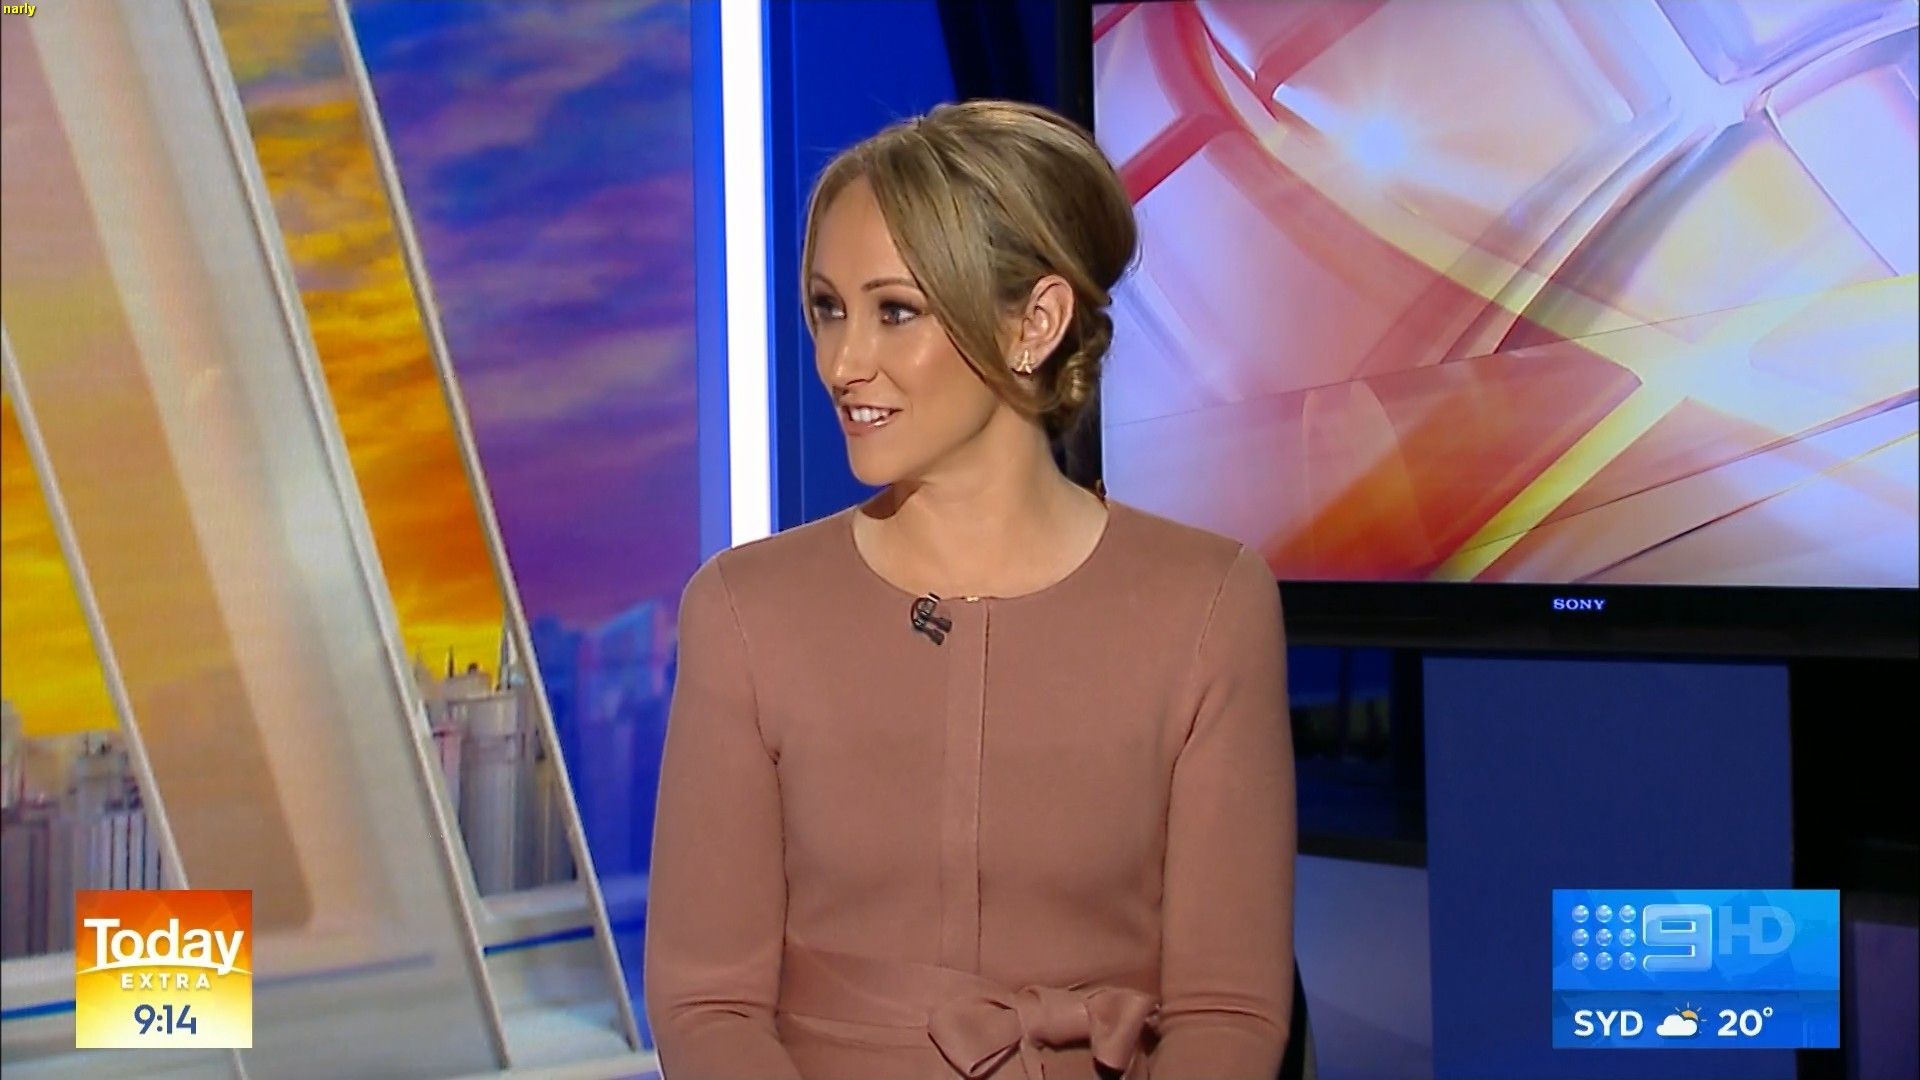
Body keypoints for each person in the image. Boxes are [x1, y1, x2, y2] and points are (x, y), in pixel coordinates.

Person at [645, 99, 1295, 1079]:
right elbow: (709, 1006)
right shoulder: (744, 611)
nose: (842, 362)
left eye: (894, 311)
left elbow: (1228, 1012)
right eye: (828, 308)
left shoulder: (1208, 604)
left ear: (1035, 323)